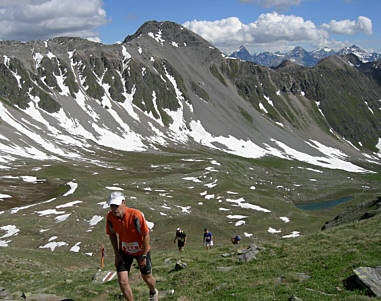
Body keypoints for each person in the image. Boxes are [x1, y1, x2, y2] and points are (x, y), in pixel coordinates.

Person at [106, 191, 158, 301]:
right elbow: (112, 235)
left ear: (124, 203)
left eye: (117, 205)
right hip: (124, 251)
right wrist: (116, 254)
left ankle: (153, 292)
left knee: (147, 277)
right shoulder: (110, 218)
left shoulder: (136, 216)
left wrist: (143, 255)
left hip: (141, 251)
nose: (114, 209)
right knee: (122, 281)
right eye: (112, 206)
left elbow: (146, 235)